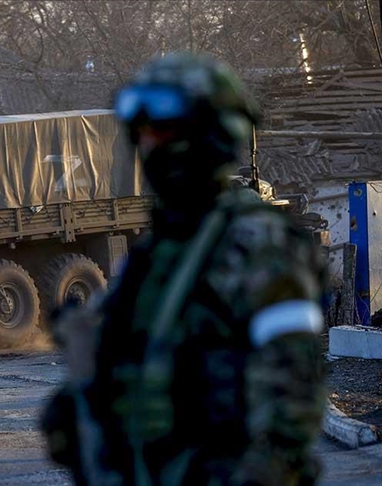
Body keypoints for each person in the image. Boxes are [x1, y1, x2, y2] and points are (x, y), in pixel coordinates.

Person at [40, 52, 328, 486]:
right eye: (141, 132)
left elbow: (291, 408)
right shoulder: (162, 251)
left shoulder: (258, 245)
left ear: (212, 133)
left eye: (163, 128)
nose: (149, 145)